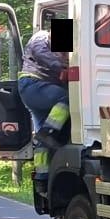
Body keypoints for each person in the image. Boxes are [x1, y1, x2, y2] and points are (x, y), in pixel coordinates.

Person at [18, 28, 70, 187]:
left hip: (39, 89)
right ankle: (48, 132)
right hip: (33, 84)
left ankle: (42, 176)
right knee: (65, 99)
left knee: (43, 141)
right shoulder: (41, 37)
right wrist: (61, 68)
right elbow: (41, 53)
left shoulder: (61, 51)